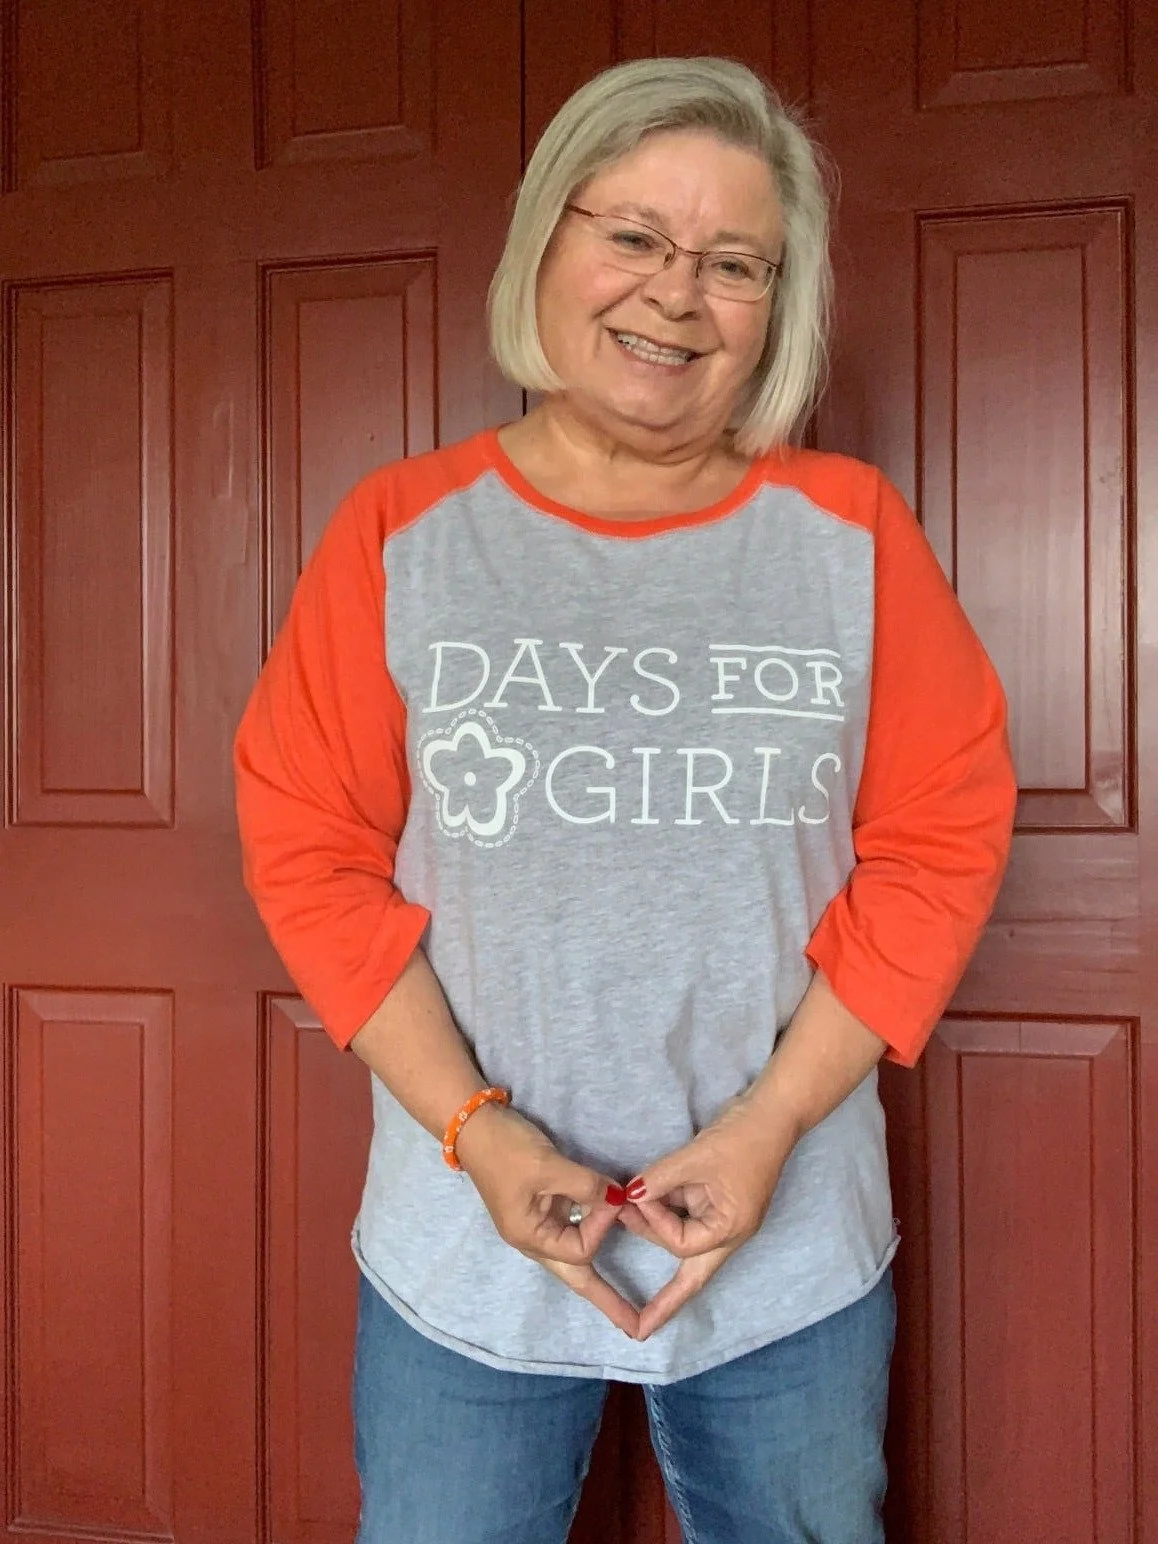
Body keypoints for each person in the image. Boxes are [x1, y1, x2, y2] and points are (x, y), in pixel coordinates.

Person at [234, 55, 1016, 1544]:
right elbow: (311, 849)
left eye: (733, 264)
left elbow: (937, 838)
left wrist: (771, 1126)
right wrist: (481, 1135)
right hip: (462, 1242)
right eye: (636, 237)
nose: (676, 295)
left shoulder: (848, 534)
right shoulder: (400, 533)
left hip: (785, 1246)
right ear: (548, 240)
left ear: (773, 311)